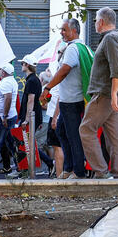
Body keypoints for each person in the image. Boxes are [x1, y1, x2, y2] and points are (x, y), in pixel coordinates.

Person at [79, 7, 118, 179]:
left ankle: (100, 172)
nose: (94, 23)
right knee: (113, 136)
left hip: (106, 94)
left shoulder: (109, 39)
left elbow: (117, 69)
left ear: (101, 21)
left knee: (86, 129)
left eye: (95, 20)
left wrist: (114, 93)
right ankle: (116, 174)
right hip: (114, 96)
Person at [41, 19, 87, 179]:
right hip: (68, 100)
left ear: (74, 31)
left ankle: (78, 171)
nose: (61, 32)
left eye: (64, 30)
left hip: (73, 101)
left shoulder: (74, 48)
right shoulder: (77, 47)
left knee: (73, 136)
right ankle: (68, 168)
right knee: (61, 131)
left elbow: (65, 70)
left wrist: (47, 87)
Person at [0, 63, 19, 176]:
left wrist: (4, 116)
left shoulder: (6, 82)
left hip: (3, 118)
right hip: (6, 117)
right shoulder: (10, 81)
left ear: (3, 72)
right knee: (11, 144)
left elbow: (8, 98)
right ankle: (20, 168)